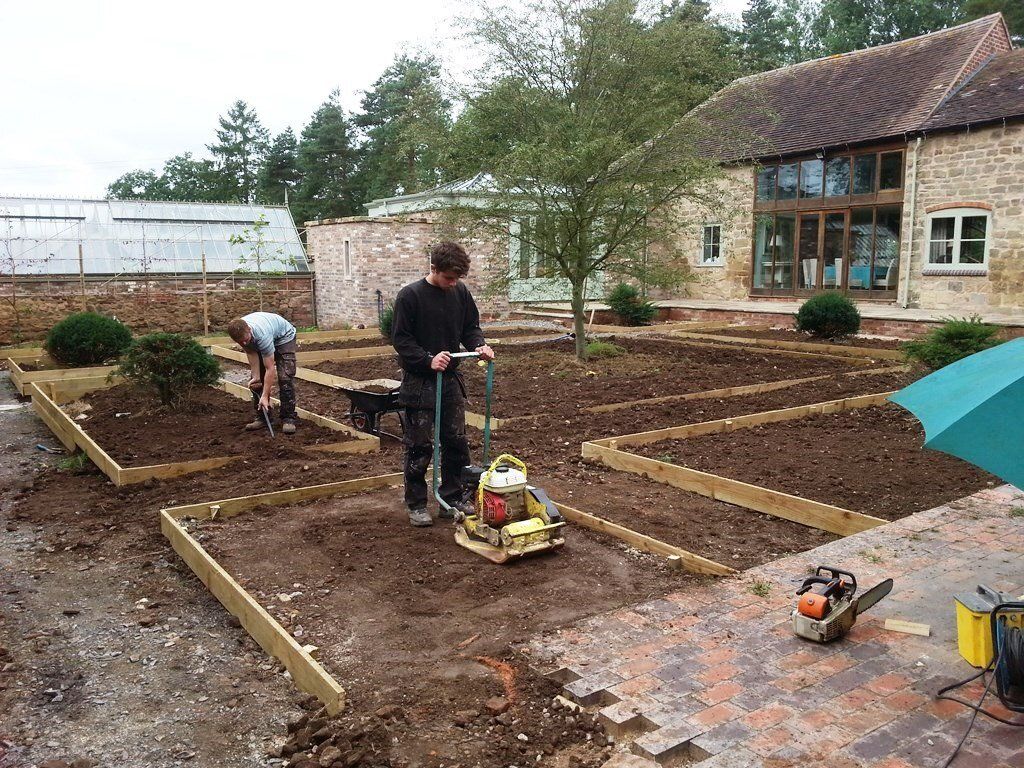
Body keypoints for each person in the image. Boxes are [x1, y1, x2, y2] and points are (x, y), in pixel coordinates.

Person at [392, 241, 495, 527]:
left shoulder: (459, 292)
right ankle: (416, 504)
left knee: (456, 442)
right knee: (420, 445)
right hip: (420, 381)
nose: (453, 283)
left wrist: (480, 345)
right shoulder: (410, 296)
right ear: (433, 269)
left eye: (457, 278)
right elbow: (401, 340)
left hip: (449, 380)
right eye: (448, 277)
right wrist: (427, 360)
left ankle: (452, 498)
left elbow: (470, 327)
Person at [226, 312, 299, 435]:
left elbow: (270, 368)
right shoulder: (239, 334)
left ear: (249, 329)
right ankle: (263, 418)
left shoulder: (261, 335)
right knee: (256, 382)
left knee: (285, 376)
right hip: (265, 334)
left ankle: (288, 418)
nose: (243, 343)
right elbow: (251, 353)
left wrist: (265, 396)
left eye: (245, 340)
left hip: (284, 338)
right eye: (240, 342)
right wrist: (256, 376)